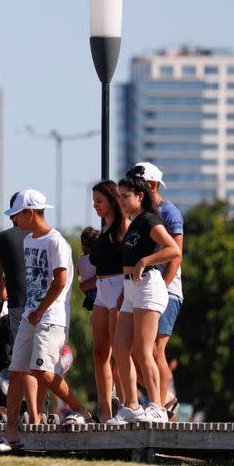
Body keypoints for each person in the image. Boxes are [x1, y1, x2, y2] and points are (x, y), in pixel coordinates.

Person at [0, 189, 91, 454]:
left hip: (52, 317)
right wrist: (31, 311)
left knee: (42, 372)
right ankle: (10, 433)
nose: (14, 220)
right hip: (30, 314)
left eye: (17, 215)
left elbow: (60, 281)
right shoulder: (28, 242)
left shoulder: (56, 242)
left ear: (30, 212)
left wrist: (40, 310)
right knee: (16, 372)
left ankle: (82, 411)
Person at [106, 176, 181, 425]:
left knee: (143, 349)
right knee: (119, 347)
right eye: (119, 197)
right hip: (131, 289)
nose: (122, 201)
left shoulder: (149, 219)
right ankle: (132, 406)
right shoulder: (133, 222)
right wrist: (122, 291)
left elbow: (173, 250)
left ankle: (157, 406)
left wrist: (145, 261)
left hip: (149, 285)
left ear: (140, 195)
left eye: (126, 196)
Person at [127, 162, 184, 417]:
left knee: (154, 350)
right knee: (133, 351)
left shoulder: (169, 213)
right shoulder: (137, 215)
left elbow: (175, 254)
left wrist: (162, 286)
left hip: (166, 288)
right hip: (142, 288)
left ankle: (158, 406)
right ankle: (165, 400)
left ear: (149, 185)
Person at [0, 193, 46, 422]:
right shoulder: (42, 236)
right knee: (40, 361)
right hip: (44, 305)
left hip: (17, 306)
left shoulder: (1, 239)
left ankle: (23, 415)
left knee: (21, 362)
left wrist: (2, 295)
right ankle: (37, 414)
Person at [88, 180, 131, 422]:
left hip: (119, 287)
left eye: (99, 201)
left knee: (120, 352)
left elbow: (132, 258)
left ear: (112, 200)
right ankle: (105, 410)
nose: (95, 206)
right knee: (99, 353)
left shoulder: (124, 225)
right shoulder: (104, 227)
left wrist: (125, 291)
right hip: (101, 290)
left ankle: (127, 404)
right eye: (94, 201)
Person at [77, 227, 99, 311]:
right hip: (98, 291)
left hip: (88, 294)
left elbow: (79, 273)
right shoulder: (96, 258)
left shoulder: (80, 260)